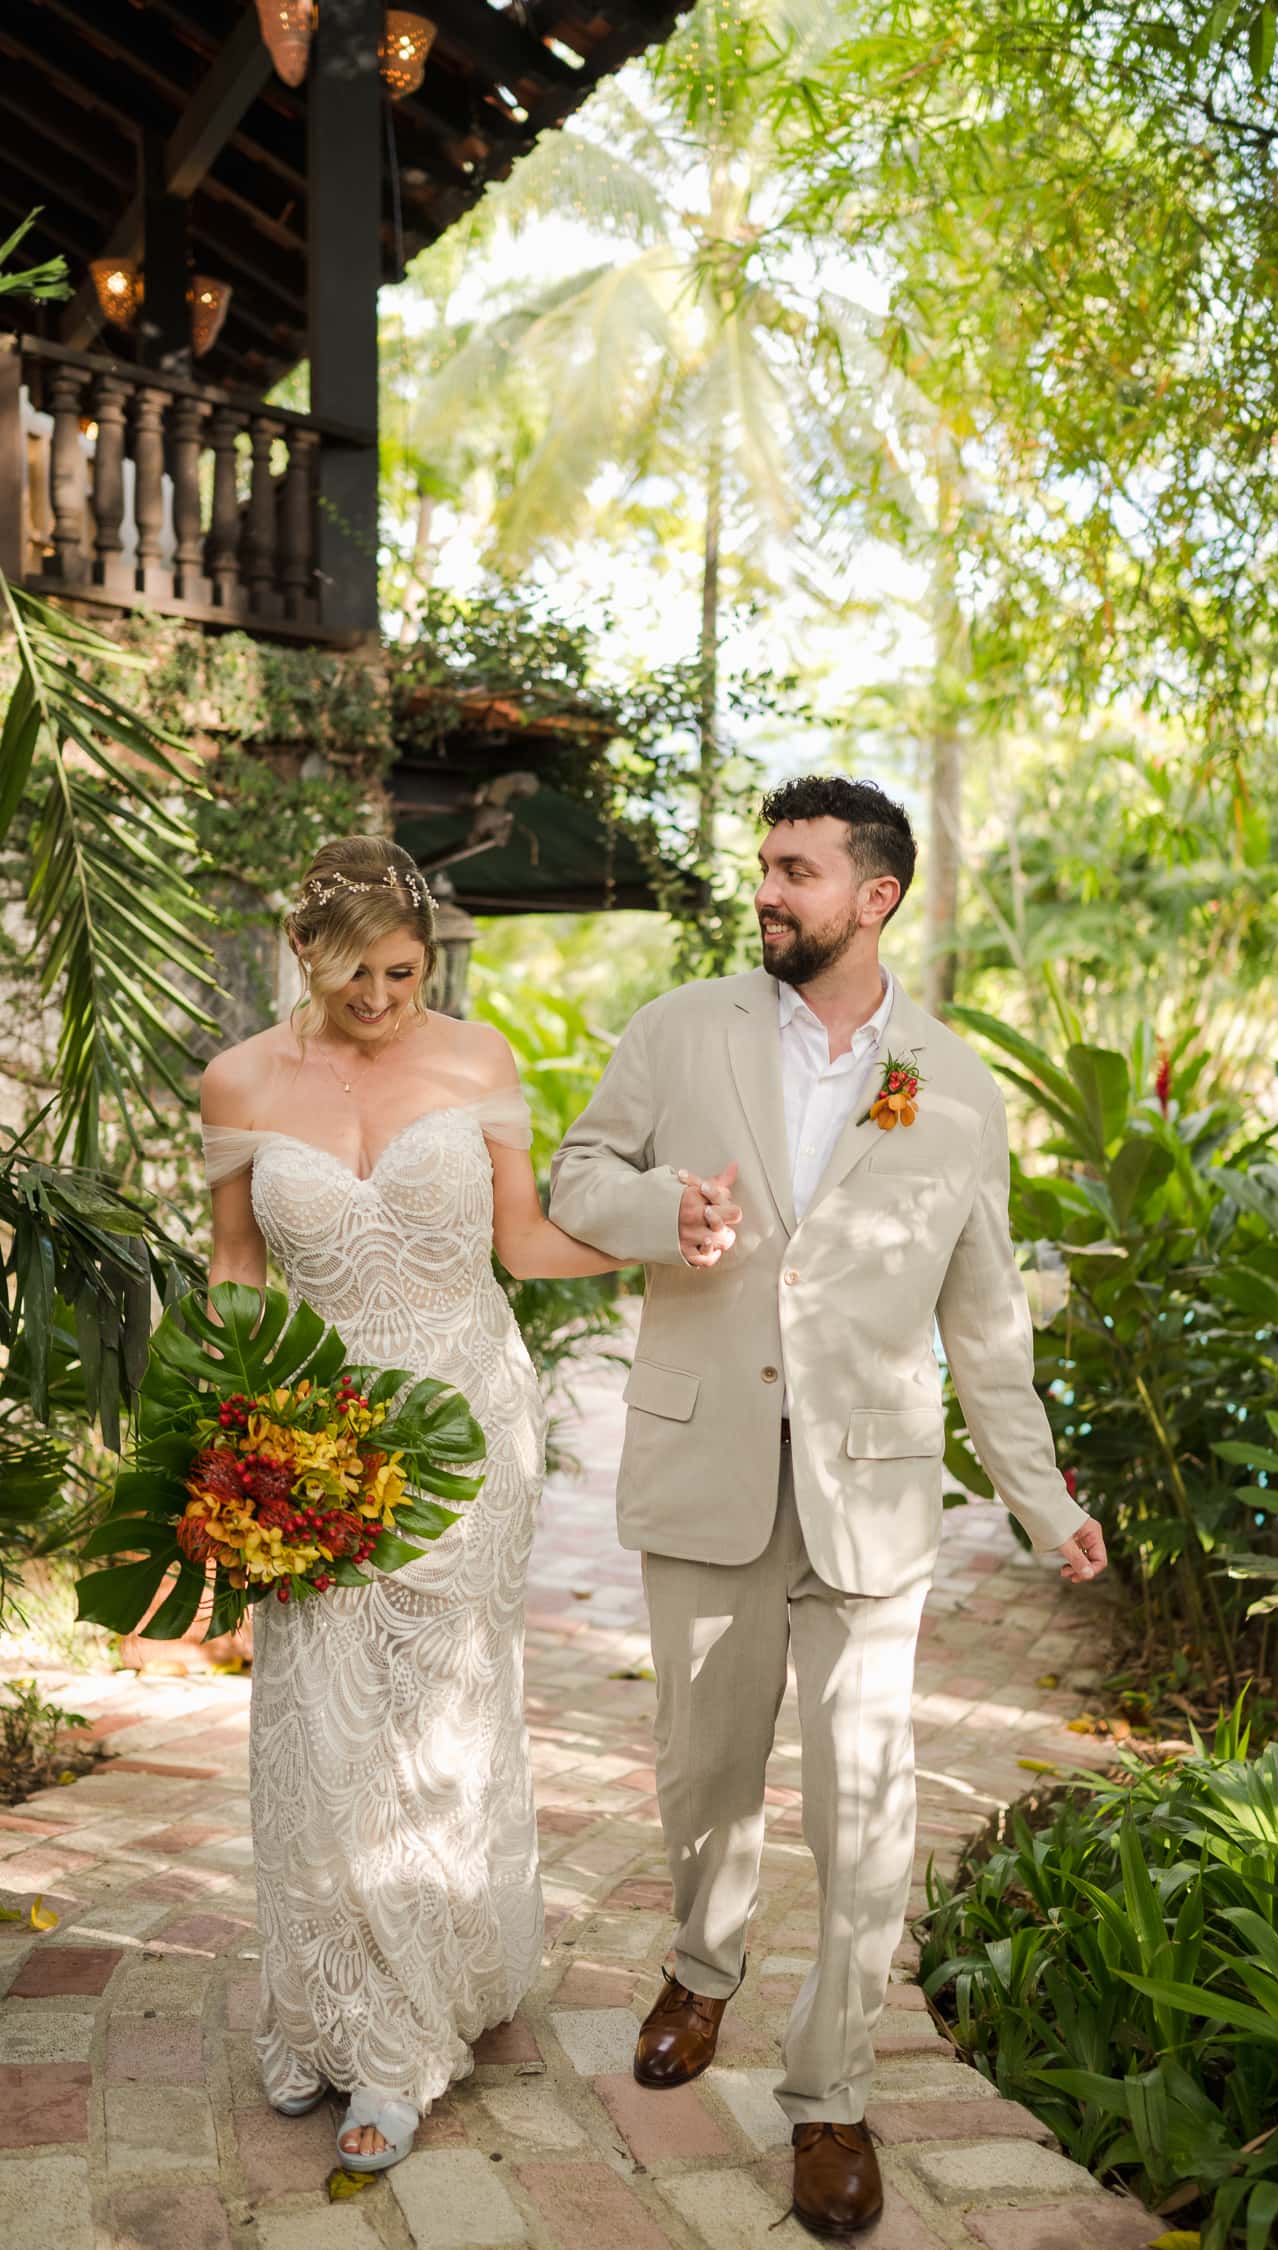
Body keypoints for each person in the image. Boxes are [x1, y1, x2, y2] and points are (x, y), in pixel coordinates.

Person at [549, 775, 1107, 2240]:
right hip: (708, 1471)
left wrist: (1041, 1498)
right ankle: (703, 1960)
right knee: (704, 1773)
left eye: (795, 868)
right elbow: (574, 1173)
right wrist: (658, 1207)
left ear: (877, 895)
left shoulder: (956, 1084)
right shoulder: (681, 1030)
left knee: (866, 1812)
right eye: (764, 866)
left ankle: (833, 2092)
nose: (767, 889)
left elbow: (987, 1321)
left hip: (870, 1493)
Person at [200, 835, 618, 2173]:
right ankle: (328, 2001)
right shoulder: (240, 1079)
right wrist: (232, 1437)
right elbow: (233, 1274)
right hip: (315, 1430)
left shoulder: (480, 1059)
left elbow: (527, 1242)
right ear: (300, 952)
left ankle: (401, 2044)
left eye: (402, 970)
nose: (380, 999)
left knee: (438, 1714)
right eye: (351, 974)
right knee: (322, 1720)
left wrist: (660, 1237)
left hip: (468, 1425)